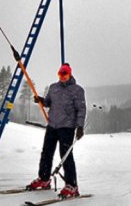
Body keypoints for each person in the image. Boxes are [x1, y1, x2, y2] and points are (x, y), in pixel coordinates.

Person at [27, 63, 86, 198]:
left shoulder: (77, 90)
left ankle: (72, 186)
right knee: (46, 152)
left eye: (65, 74)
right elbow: (48, 102)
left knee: (66, 155)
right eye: (60, 74)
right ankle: (44, 179)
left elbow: (81, 109)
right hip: (52, 125)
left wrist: (80, 126)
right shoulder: (53, 88)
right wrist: (41, 100)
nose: (62, 77)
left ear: (69, 74)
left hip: (67, 127)